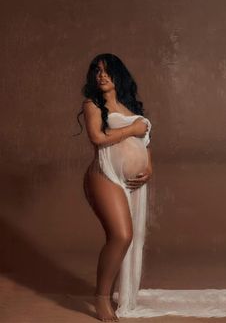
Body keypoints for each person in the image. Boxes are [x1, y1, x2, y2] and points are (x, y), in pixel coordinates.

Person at [75, 53, 153, 321]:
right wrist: (132, 130)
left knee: (124, 237)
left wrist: (148, 168)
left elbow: (145, 142)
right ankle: (101, 299)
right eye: (97, 71)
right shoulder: (92, 104)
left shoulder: (131, 107)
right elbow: (98, 138)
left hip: (129, 181)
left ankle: (109, 293)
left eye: (107, 70)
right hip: (103, 174)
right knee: (121, 235)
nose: (101, 75)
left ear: (118, 74)